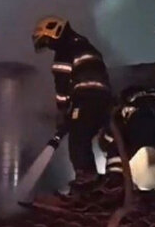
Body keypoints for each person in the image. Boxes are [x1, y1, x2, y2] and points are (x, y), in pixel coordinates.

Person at [32, 15, 112, 197]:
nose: (48, 45)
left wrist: (62, 111)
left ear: (55, 31)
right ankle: (93, 181)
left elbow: (61, 86)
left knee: (77, 136)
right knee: (85, 135)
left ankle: (86, 178)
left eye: (47, 40)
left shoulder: (65, 50)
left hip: (86, 98)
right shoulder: (85, 45)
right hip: (103, 99)